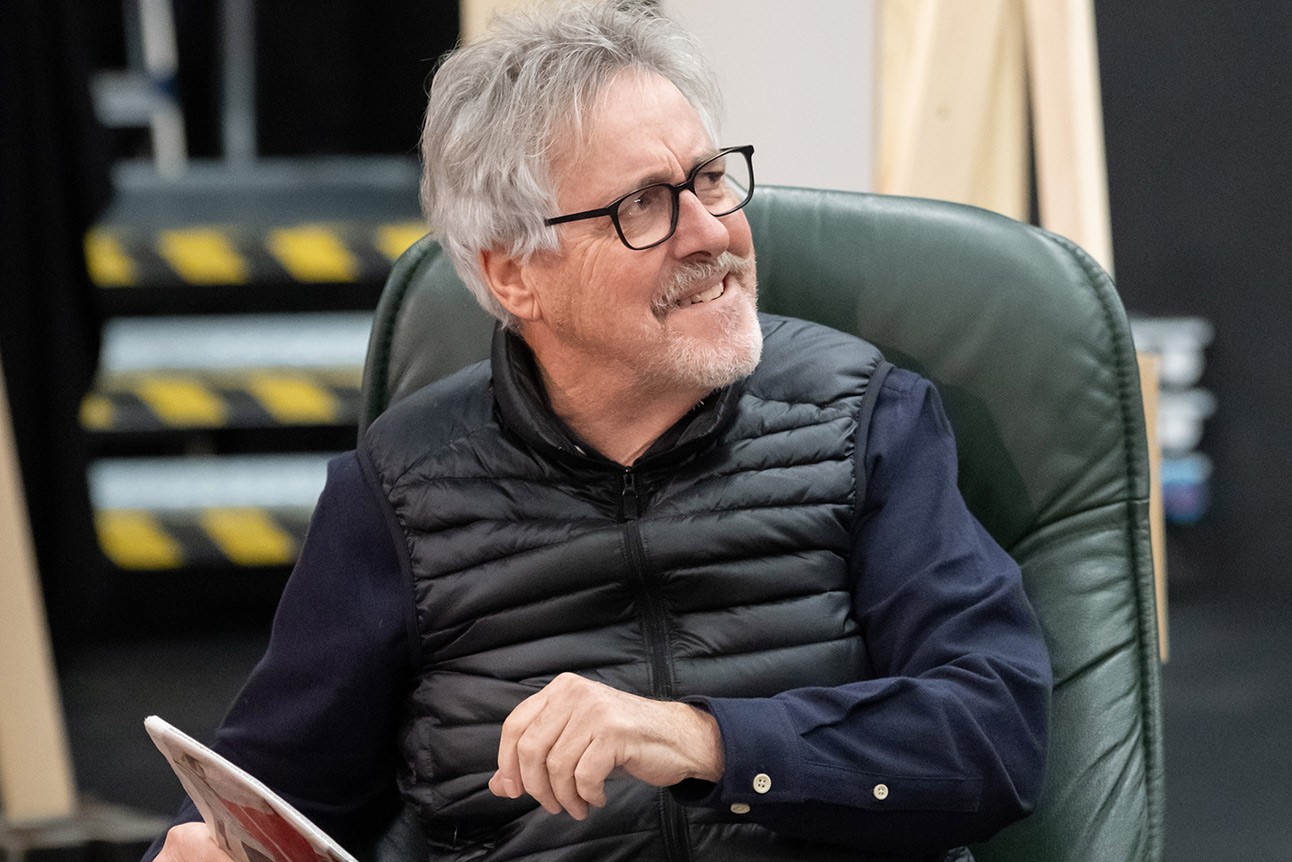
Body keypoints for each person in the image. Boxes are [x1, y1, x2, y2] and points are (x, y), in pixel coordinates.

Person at [150, 2, 1051, 861]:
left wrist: (703, 739)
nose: (712, 232)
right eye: (644, 206)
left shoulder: (863, 420)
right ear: (515, 278)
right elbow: (267, 795)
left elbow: (990, 737)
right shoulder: (398, 492)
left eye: (707, 179)